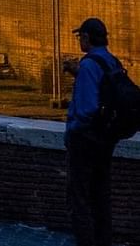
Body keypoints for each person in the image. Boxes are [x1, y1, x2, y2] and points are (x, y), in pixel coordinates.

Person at [66, 16, 122, 246]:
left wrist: (74, 129)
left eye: (81, 37)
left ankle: (86, 241)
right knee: (101, 194)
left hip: (84, 139)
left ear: (87, 38)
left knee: (79, 196)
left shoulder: (89, 64)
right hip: (105, 140)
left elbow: (88, 107)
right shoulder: (111, 62)